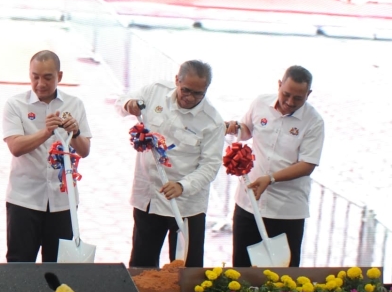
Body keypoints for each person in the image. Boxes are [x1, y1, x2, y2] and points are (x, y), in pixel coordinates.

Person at [117, 60, 225, 268]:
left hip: (186, 206)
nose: (190, 98)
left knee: (186, 269)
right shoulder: (155, 91)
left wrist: (182, 186)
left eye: (198, 94)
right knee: (142, 266)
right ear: (177, 80)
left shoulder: (212, 121)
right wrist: (128, 104)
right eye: (186, 90)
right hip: (149, 198)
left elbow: (211, 166)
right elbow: (122, 102)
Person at [225, 66, 324, 267]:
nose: (289, 102)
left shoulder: (314, 122)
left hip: (286, 210)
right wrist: (235, 127)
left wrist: (270, 179)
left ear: (309, 94)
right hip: (249, 202)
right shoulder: (260, 103)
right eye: (286, 94)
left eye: (298, 98)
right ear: (279, 85)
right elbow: (246, 130)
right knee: (241, 271)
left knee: (282, 279)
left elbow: (307, 164)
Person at [2, 51, 92, 263]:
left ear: (59, 76)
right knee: (19, 266)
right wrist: (46, 131)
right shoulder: (15, 104)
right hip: (24, 200)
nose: (40, 83)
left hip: (63, 202)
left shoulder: (75, 104)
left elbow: (85, 150)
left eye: (47, 77)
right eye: (35, 76)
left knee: (59, 270)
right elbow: (15, 146)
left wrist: (75, 133)